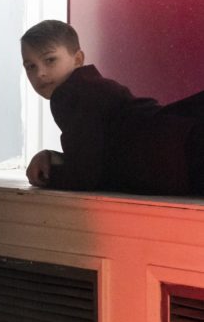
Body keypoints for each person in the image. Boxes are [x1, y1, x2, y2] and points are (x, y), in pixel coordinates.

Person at [21, 20, 204, 194]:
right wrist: (54, 157)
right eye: (30, 66)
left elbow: (84, 175)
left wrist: (47, 175)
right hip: (180, 145)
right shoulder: (94, 86)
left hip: (177, 157)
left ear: (78, 59)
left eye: (50, 60)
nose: (40, 73)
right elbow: (96, 156)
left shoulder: (70, 93)